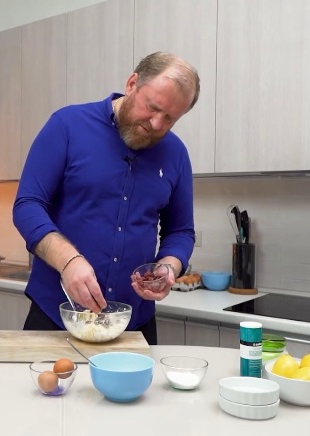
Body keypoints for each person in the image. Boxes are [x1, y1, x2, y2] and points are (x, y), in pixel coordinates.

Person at [12, 51, 200, 345]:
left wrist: (169, 266)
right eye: (152, 107)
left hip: (134, 323)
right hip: (56, 315)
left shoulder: (176, 154)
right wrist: (68, 261)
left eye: (170, 119)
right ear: (132, 83)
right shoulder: (67, 126)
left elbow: (181, 231)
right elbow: (27, 205)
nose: (156, 124)